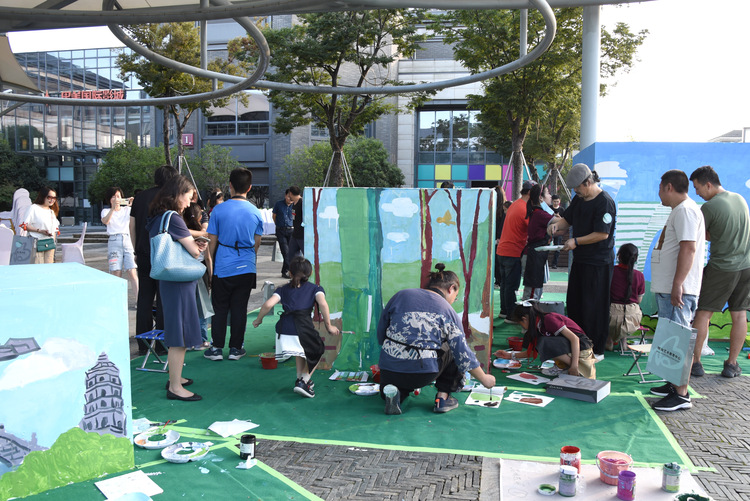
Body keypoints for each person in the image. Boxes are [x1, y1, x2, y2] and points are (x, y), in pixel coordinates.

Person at [376, 263, 496, 415]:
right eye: (455, 296)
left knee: (399, 363)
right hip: (421, 373)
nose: (454, 300)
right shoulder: (446, 310)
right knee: (453, 347)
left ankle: (396, 395)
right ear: (451, 288)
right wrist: (484, 378)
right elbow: (463, 354)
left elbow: (381, 333)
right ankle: (443, 397)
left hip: (389, 369)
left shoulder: (401, 295)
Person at [145, 175, 208, 401]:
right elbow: (192, 251)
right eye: (188, 197)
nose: (189, 203)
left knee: (177, 329)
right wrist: (198, 247)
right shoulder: (173, 218)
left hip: (170, 280)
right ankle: (175, 387)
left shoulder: (158, 216)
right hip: (178, 282)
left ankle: (176, 378)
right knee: (179, 333)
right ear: (177, 194)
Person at [648, 170, 706, 411]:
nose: (659, 193)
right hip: (671, 287)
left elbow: (689, 249)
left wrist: (677, 284)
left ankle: (681, 394)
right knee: (670, 339)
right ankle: (673, 384)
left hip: (679, 289)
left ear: (669, 187)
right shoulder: (680, 211)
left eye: (660, 188)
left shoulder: (686, 210)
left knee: (679, 339)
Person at [547, 164, 616, 357]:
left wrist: (576, 241)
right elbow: (566, 220)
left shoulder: (605, 202)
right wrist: (554, 226)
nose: (576, 192)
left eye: (578, 187)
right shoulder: (579, 200)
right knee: (576, 303)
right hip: (580, 261)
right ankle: (579, 346)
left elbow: (602, 234)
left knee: (594, 306)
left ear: (588, 182)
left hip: (599, 262)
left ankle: (596, 349)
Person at [688, 166, 750, 380]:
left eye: (697, 188)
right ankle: (732, 364)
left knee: (703, 313)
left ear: (708, 184)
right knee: (740, 314)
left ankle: (695, 362)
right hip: (746, 266)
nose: (696, 192)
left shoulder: (709, 207)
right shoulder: (740, 199)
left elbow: (701, 236)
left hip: (722, 267)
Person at [252, 257, 340, 398]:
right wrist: (328, 325)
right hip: (302, 327)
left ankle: (300, 378)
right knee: (317, 349)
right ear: (309, 273)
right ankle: (304, 381)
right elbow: (323, 304)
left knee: (301, 351)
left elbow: (268, 305)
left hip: (284, 330)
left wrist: (258, 320)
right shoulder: (315, 288)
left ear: (290, 273)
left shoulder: (282, 290)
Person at [204, 168, 265, 362]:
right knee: (240, 308)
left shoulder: (218, 210)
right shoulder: (255, 212)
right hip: (246, 266)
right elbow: (257, 242)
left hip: (223, 266)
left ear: (229, 185)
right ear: (249, 188)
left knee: (219, 307)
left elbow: (211, 241)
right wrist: (248, 257)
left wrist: (210, 266)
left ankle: (216, 349)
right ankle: (236, 349)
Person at [130, 165, 179, 354]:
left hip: (143, 252)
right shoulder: (171, 198)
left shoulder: (141, 196)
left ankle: (143, 345)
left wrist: (135, 249)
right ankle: (162, 344)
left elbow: (132, 226)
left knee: (144, 298)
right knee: (164, 299)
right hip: (164, 255)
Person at [495, 302, 597, 379]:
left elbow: (575, 339)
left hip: (582, 347)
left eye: (519, 323)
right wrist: (508, 355)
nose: (520, 326)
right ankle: (566, 367)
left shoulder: (549, 319)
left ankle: (577, 369)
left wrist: (574, 366)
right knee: (543, 342)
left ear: (524, 319)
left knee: (544, 342)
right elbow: (532, 352)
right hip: (571, 348)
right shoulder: (537, 326)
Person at [496, 180, 535, 321]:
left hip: (502, 250)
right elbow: (533, 228)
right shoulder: (524, 208)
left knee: (505, 284)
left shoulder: (515, 204)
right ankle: (512, 316)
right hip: (512, 251)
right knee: (511, 286)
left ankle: (504, 311)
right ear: (530, 193)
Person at [183, 202, 213, 350]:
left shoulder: (182, 233)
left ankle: (188, 341)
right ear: (200, 217)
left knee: (187, 307)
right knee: (202, 307)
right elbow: (208, 257)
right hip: (201, 272)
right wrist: (212, 275)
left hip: (184, 272)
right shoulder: (203, 236)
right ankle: (202, 339)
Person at [101, 187, 138, 303]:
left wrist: (133, 203)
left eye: (118, 196)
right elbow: (105, 221)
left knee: (132, 271)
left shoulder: (127, 210)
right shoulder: (105, 211)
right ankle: (115, 301)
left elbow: (136, 216)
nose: (116, 199)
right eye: (113, 196)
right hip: (114, 240)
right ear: (109, 199)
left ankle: (138, 301)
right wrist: (113, 209)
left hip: (127, 240)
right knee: (116, 272)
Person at [607, 243, 645, 351]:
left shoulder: (611, 271)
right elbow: (639, 300)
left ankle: (609, 340)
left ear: (618, 256)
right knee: (628, 313)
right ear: (636, 258)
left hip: (611, 317)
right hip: (633, 319)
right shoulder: (639, 275)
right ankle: (623, 341)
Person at [521, 184, 554, 300]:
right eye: (548, 193)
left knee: (533, 290)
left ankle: (528, 315)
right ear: (541, 198)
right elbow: (561, 224)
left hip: (534, 255)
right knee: (532, 293)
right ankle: (527, 316)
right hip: (534, 255)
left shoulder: (535, 212)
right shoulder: (540, 214)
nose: (550, 196)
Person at [22, 186, 60, 264]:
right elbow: (24, 225)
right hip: (37, 243)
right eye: (49, 197)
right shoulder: (33, 208)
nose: (52, 200)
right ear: (43, 196)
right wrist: (39, 231)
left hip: (50, 244)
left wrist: (54, 243)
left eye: (54, 198)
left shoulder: (51, 211)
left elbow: (55, 230)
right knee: (38, 267)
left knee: (49, 269)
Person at [272, 186, 302, 279]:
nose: (290, 199)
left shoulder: (297, 204)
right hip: (281, 230)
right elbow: (274, 216)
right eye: (288, 197)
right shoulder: (279, 204)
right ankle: (288, 271)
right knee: (285, 251)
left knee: (293, 253)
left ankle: (287, 271)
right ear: (286, 195)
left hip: (292, 230)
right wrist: (278, 224)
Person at [494, 185, 507, 289]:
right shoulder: (504, 209)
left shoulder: (494, 208)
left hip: (496, 238)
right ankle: (499, 281)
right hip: (501, 239)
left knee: (495, 260)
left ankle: (498, 280)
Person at [287, 192, 304, 261]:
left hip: (302, 234)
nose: (288, 197)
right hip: (295, 233)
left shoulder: (302, 203)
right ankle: (294, 270)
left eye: (289, 195)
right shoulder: (294, 204)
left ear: (291, 194)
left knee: (306, 254)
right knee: (291, 255)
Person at [550, 195, 563, 268]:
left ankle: (554, 263)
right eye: (554, 201)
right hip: (550, 230)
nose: (556, 203)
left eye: (557, 201)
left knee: (557, 247)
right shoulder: (549, 208)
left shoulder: (562, 209)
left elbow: (564, 220)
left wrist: (559, 217)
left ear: (559, 201)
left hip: (558, 231)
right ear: (552, 201)